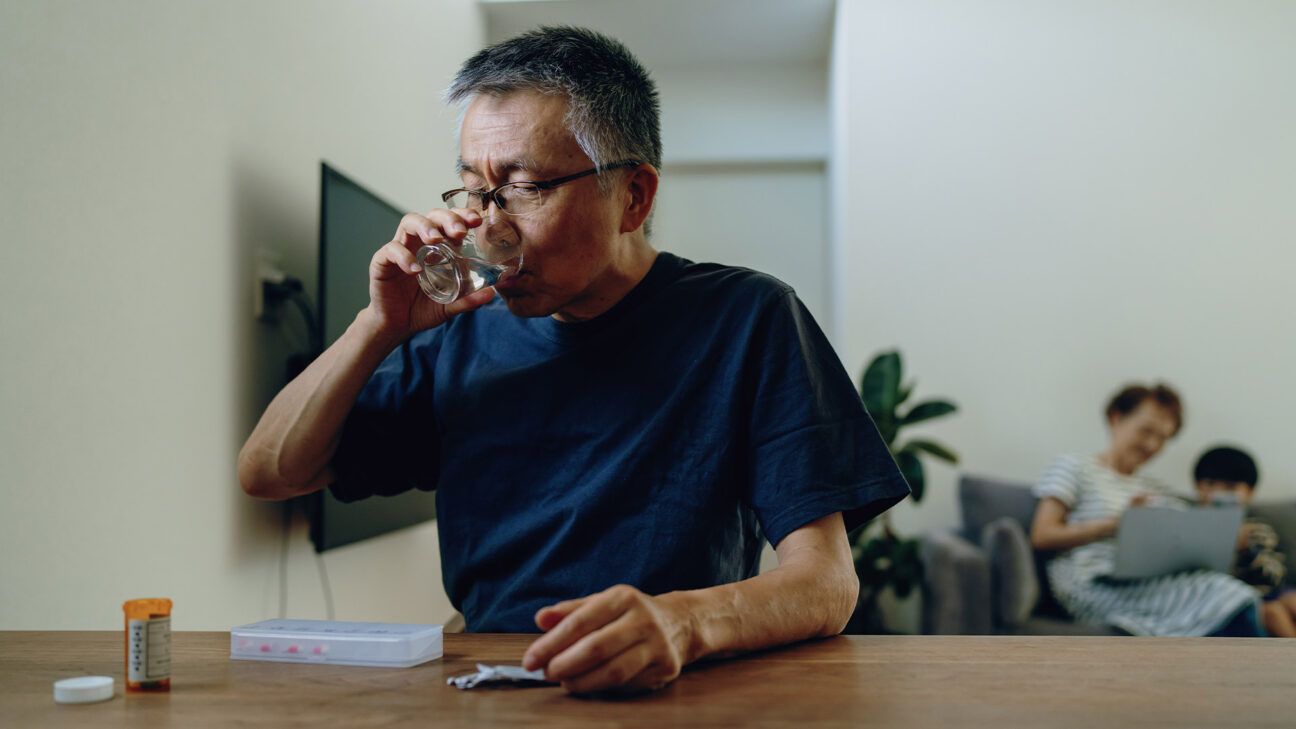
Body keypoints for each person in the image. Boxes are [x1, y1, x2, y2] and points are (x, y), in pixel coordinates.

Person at [237, 26, 909, 693]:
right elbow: (271, 471)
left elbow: (827, 583)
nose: (489, 226)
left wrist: (680, 622)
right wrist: (376, 326)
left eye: (524, 186)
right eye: (475, 190)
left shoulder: (747, 318)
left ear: (634, 197)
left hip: (671, 685)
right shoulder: (460, 334)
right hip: (491, 684)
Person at [1029, 383, 1264, 636]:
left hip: (1150, 581)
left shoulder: (1156, 490)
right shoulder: (1074, 467)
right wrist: (1113, 526)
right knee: (1230, 596)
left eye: (1163, 438)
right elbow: (1042, 536)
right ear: (1116, 418)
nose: (1152, 445)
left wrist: (1225, 541)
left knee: (1233, 595)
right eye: (1146, 431)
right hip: (1096, 584)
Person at [1193, 446, 1296, 638]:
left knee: (1291, 601)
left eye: (1230, 487)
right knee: (1273, 612)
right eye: (1210, 484)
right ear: (1198, 487)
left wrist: (1249, 550)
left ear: (1249, 493)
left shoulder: (1257, 530)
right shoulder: (1191, 528)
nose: (1218, 493)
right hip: (1233, 599)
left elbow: (1275, 576)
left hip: (1268, 591)